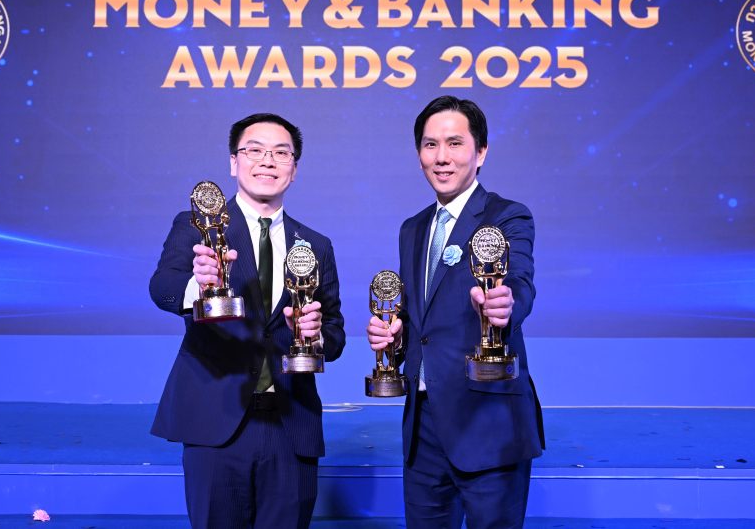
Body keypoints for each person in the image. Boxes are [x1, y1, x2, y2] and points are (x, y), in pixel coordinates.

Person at [150, 112, 345, 529]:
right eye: (254, 150)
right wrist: (199, 286)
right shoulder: (197, 226)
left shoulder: (316, 245)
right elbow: (162, 287)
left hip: (291, 425)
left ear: (294, 169)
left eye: (281, 153)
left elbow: (335, 334)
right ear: (233, 162)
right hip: (215, 422)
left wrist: (314, 335)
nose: (267, 161)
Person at [366, 96, 544, 529]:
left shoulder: (508, 216)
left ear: (480, 152)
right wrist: (393, 337)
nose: (441, 157)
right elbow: (422, 321)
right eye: (430, 145)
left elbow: (519, 282)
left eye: (454, 143)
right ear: (419, 155)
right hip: (423, 426)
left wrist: (505, 306)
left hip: (488, 421)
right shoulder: (413, 228)